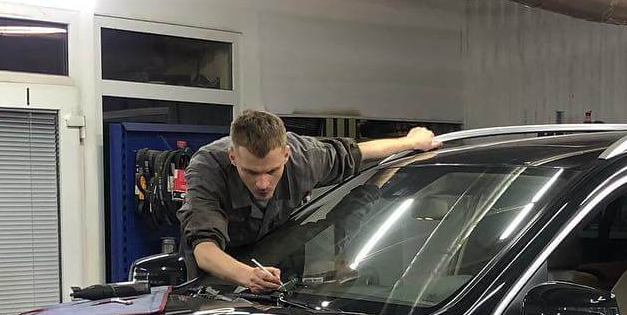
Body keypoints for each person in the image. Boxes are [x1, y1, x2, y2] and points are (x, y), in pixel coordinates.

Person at [179, 109, 440, 290]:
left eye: (272, 171)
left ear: (286, 155)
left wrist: (410, 142)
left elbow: (357, 154)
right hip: (217, 275)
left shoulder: (306, 157)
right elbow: (205, 250)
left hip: (276, 263)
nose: (263, 184)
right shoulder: (207, 168)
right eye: (251, 172)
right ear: (233, 158)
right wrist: (249, 276)